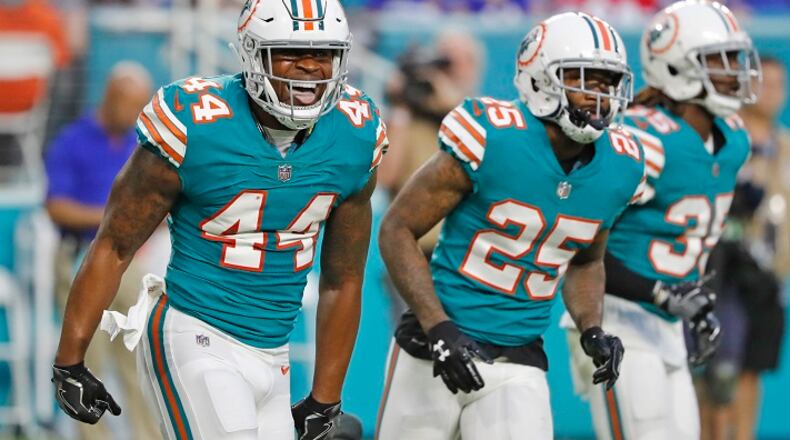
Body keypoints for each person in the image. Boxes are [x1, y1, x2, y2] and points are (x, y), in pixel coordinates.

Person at [50, 0, 388, 439]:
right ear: (252, 54)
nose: (309, 67)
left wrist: (326, 399)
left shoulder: (354, 134)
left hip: (274, 348)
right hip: (196, 331)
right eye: (290, 52)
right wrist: (70, 360)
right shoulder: (196, 123)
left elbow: (343, 279)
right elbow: (115, 245)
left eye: (323, 53)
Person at [376, 12, 645, 440]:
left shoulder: (622, 165)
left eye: (609, 83)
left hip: (520, 355)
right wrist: (439, 328)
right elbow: (396, 229)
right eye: (585, 79)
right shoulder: (493, 136)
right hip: (435, 345)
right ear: (540, 79)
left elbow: (586, 260)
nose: (600, 95)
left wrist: (591, 328)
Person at [563, 1, 761, 439]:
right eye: (719, 60)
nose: (734, 72)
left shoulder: (732, 141)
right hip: (613, 317)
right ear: (674, 66)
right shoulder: (642, 140)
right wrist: (660, 291)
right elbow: (576, 245)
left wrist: (693, 302)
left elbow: (693, 243)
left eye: (735, 58)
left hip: (667, 323)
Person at [44, 61, 162, 440]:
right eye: (128, 104)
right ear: (109, 97)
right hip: (80, 256)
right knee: (84, 362)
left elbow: (161, 208)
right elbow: (56, 205)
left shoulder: (142, 144)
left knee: (139, 361)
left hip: (130, 263)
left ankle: (148, 436)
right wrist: (112, 219)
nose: (132, 113)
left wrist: (130, 224)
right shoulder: (73, 140)